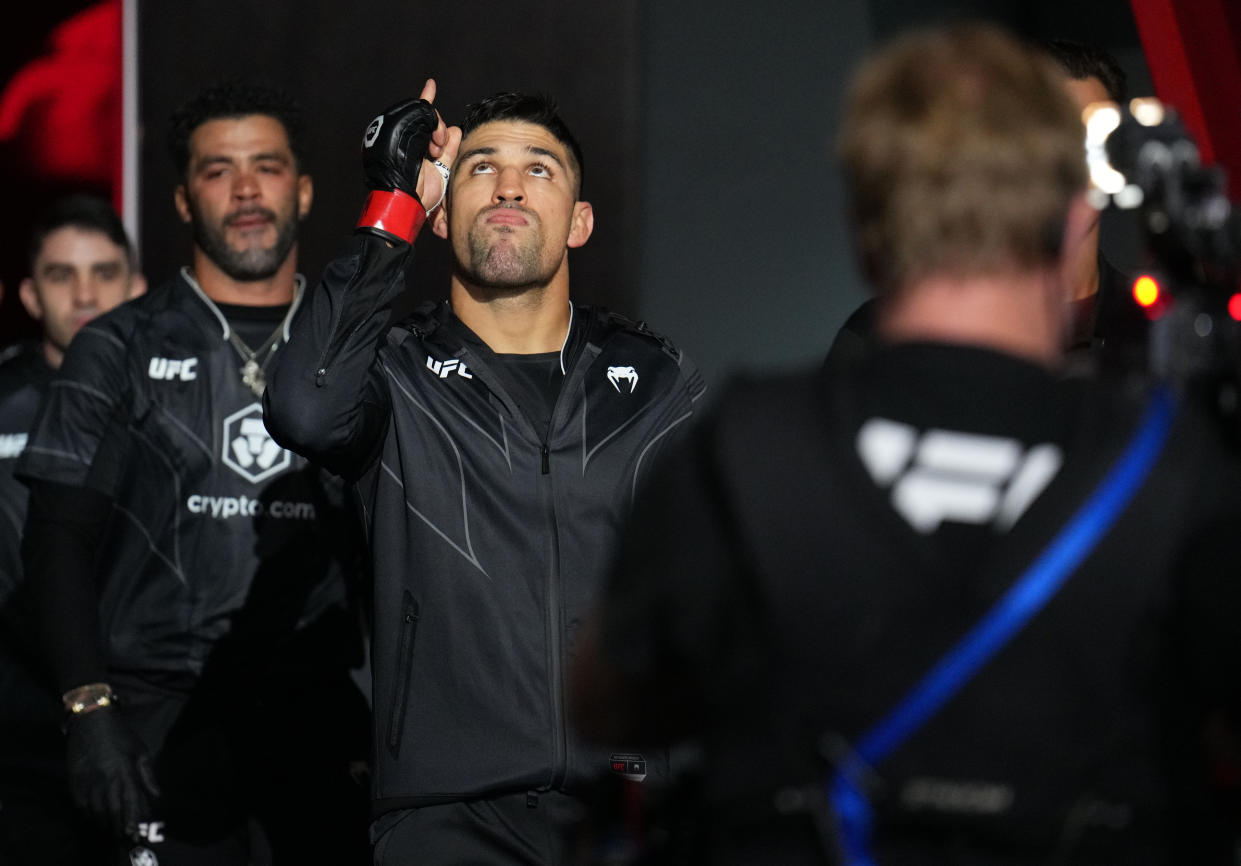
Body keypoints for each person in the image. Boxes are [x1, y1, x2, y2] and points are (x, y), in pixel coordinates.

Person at [571, 24, 1241, 865]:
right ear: (1078, 210)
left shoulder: (745, 454)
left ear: (863, 228)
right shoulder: (1167, 470)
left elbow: (612, 703)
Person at [262, 79, 706, 865]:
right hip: (446, 817)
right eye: (479, 168)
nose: (507, 183)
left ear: (579, 221)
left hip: (627, 806)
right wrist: (391, 201)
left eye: (539, 167)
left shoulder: (656, 381)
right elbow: (303, 409)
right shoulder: (392, 377)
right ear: (442, 215)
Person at [16, 81, 371, 864]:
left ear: (304, 190)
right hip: (153, 717)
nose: (245, 189)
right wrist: (89, 709)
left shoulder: (358, 351)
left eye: (266, 167)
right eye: (218, 170)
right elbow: (56, 543)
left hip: (313, 719)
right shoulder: (116, 345)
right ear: (181, 200)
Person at [825, 35, 1149, 384]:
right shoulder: (884, 339)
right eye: (1053, 137)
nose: (1071, 162)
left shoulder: (1158, 331)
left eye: (1093, 137)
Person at [0, 193, 144, 863]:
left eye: (104, 273)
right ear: (30, 293)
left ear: (137, 286)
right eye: (62, 275)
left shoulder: (174, 399)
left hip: (151, 716)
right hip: (19, 733)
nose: (84, 293)